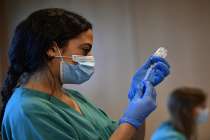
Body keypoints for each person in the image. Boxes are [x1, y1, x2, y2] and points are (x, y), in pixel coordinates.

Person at [0, 8, 170, 140]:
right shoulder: (29, 111)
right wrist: (131, 119)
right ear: (52, 49)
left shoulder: (73, 97)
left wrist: (137, 104)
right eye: (85, 50)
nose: (90, 59)